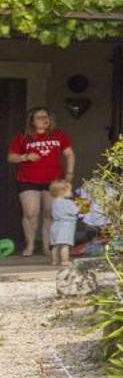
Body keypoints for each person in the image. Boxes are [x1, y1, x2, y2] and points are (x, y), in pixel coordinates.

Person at [8, 106, 74, 259]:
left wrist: (70, 173)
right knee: (31, 213)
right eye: (39, 117)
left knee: (50, 214)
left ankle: (46, 246)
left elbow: (69, 154)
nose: (44, 119)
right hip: (28, 179)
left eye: (46, 116)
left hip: (53, 180)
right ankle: (30, 244)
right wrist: (25, 157)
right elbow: (11, 157)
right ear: (31, 120)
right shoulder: (23, 137)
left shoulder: (59, 135)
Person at [46, 179, 79, 266]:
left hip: (55, 225)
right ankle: (64, 260)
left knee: (55, 245)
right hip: (65, 226)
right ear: (63, 191)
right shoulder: (67, 202)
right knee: (65, 245)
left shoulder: (54, 202)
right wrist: (78, 205)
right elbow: (75, 211)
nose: (71, 192)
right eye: (70, 190)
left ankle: (54, 261)